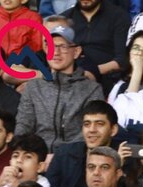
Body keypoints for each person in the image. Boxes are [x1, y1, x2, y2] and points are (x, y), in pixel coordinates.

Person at [15, 24, 105, 152]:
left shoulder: (92, 89)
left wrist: (61, 157)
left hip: (74, 157)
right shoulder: (33, 87)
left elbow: (90, 134)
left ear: (76, 52)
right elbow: (23, 127)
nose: (56, 52)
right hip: (36, 157)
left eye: (63, 47)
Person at [46, 100, 120, 187]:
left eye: (99, 124)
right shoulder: (64, 154)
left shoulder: (123, 157)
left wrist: (118, 165)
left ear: (113, 130)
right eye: (87, 124)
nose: (92, 130)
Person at [62, 0, 131, 94]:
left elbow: (122, 61)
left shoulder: (119, 16)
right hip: (68, 80)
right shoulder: (65, 19)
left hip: (107, 81)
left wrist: (91, 72)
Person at [108, 30, 143, 105]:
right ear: (129, 51)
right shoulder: (115, 76)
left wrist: (137, 70)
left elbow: (127, 107)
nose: (140, 53)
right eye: (136, 48)